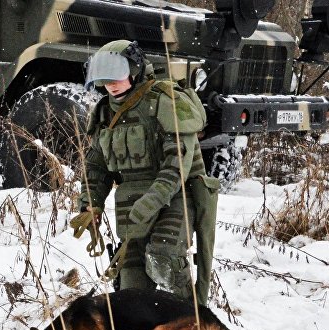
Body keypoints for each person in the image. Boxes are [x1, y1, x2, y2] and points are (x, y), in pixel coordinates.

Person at [69, 40, 220, 304]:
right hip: (131, 204)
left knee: (164, 258)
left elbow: (177, 166)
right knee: (132, 289)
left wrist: (150, 203)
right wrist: (90, 205)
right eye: (104, 78)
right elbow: (95, 167)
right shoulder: (104, 113)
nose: (111, 84)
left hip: (175, 198)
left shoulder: (165, 101)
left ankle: (188, 323)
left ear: (135, 70)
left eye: (117, 75)